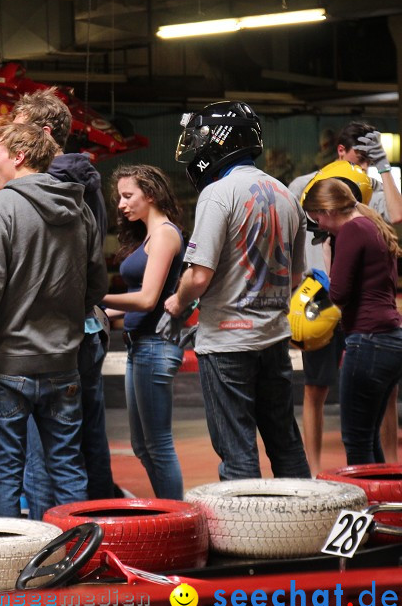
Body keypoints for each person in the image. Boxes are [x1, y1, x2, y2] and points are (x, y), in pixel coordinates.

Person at [0, 121, 108, 514]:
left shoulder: (1, 207)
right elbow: (96, 285)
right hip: (64, 362)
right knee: (68, 468)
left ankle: (9, 561)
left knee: (6, 471)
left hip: (11, 366)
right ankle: (78, 555)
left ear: (19, 157)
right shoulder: (80, 208)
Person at [164, 101, 311, 481]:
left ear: (218, 142)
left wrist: (177, 303)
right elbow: (296, 278)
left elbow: (198, 277)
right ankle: (303, 530)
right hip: (274, 340)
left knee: (238, 450)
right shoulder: (285, 193)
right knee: (285, 443)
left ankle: (247, 539)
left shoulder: (218, 194)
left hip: (228, 344)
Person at [11, 89, 115, 510]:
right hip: (87, 327)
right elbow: (94, 276)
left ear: (45, 133)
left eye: (17, 132)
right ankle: (98, 524)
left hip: (53, 337)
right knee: (85, 440)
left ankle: (44, 539)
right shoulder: (87, 185)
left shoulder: (47, 189)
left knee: (43, 449)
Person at [288, 124, 402, 473]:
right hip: (387, 336)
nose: (319, 224)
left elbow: (338, 293)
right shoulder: (371, 224)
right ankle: (385, 508)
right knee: (367, 437)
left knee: (356, 439)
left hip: (367, 340)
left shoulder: (351, 230)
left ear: (328, 209)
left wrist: (322, 271)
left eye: (318, 216)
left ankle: (369, 514)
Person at [100, 165, 185, 499]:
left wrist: (95, 296)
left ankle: (175, 517)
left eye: (128, 195)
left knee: (157, 444)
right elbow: (148, 296)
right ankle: (171, 511)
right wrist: (101, 311)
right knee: (143, 446)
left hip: (155, 346)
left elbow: (148, 299)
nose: (121, 204)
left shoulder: (164, 234)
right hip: (141, 346)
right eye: (119, 197)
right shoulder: (151, 235)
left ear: (150, 194)